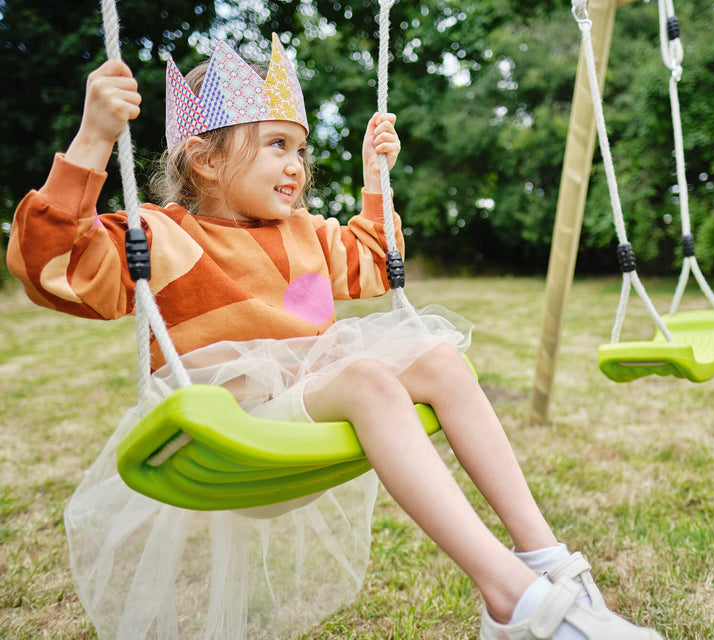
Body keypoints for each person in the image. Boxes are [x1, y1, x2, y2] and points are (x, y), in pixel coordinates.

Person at [7, 35, 663, 640]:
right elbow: (50, 267)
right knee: (369, 374)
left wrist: (374, 176)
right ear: (203, 161)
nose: (297, 165)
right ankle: (514, 600)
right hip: (234, 439)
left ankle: (546, 560)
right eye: (275, 146)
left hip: (307, 422)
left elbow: (377, 261)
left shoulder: (308, 236)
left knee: (436, 354)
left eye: (301, 148)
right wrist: (94, 139)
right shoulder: (168, 238)